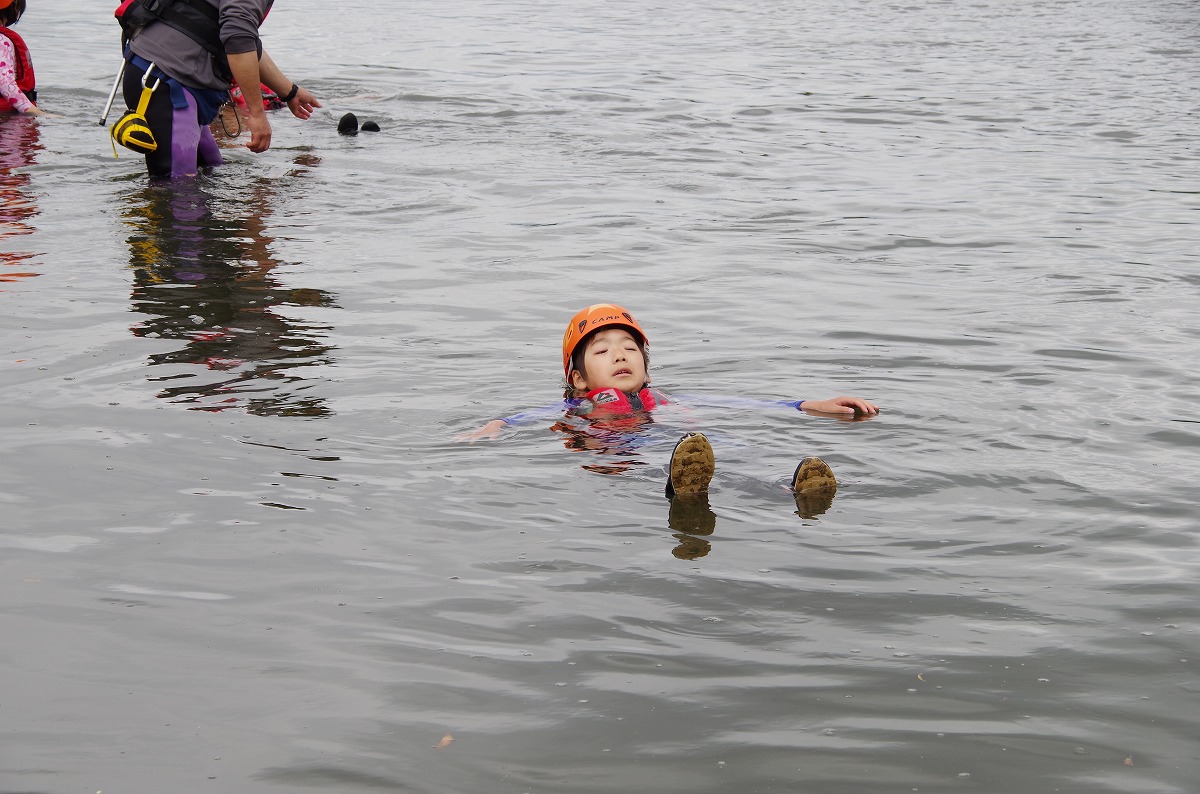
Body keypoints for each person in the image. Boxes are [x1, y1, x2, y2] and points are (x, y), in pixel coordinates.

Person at [460, 303, 879, 517]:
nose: (620, 356)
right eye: (603, 351)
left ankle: (789, 489)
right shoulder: (581, 405)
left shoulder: (663, 401)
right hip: (630, 453)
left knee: (733, 449)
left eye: (629, 349)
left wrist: (808, 405)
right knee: (671, 461)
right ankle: (680, 491)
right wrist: (495, 424)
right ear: (579, 378)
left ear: (645, 364)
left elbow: (738, 403)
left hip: (673, 441)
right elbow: (526, 417)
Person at [118, 0, 320, 178]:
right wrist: (257, 115)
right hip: (165, 82)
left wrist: (289, 92)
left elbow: (245, 42)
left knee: (212, 170)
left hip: (171, 77)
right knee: (179, 191)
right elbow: (238, 40)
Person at [0, 0, 40, 116]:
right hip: (6, 119)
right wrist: (34, 111)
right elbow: (5, 84)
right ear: (15, 6)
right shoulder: (2, 41)